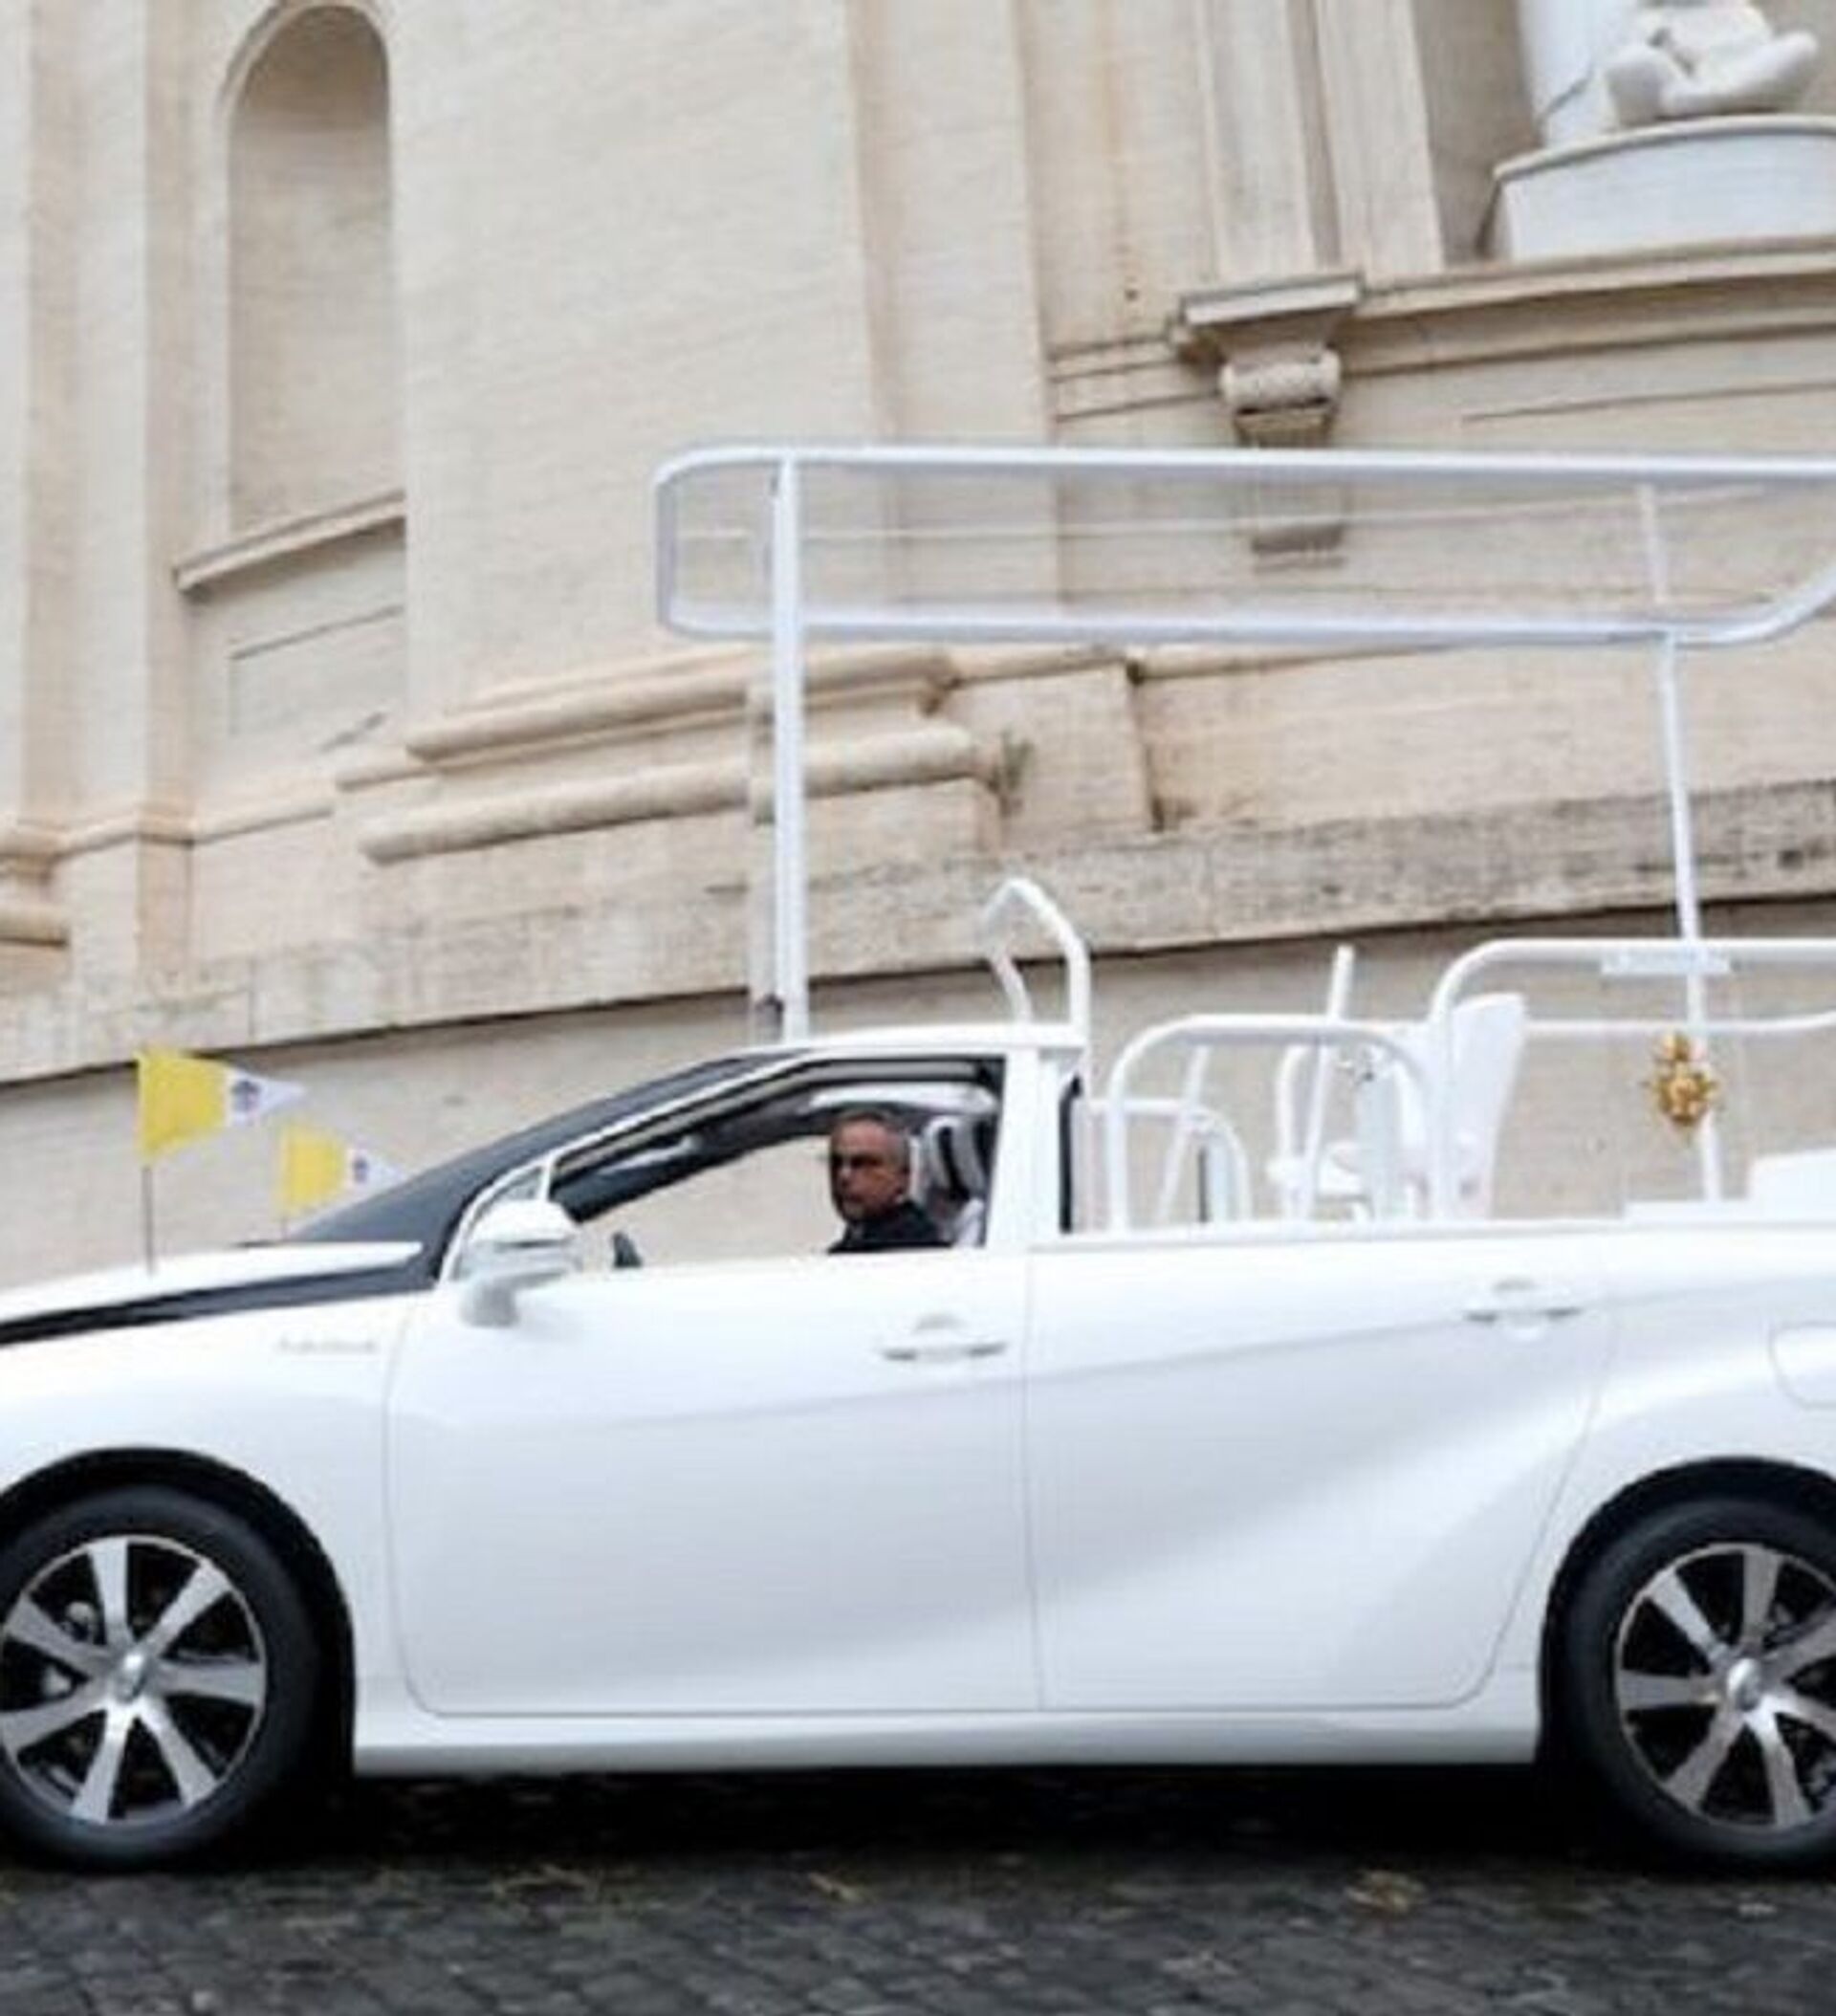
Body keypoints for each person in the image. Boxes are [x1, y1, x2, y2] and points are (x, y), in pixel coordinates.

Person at [825, 1110, 946, 1254]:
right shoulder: (856, 1242)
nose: (844, 1175)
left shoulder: (914, 1250)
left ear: (903, 1176)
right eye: (837, 1163)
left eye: (863, 1163)